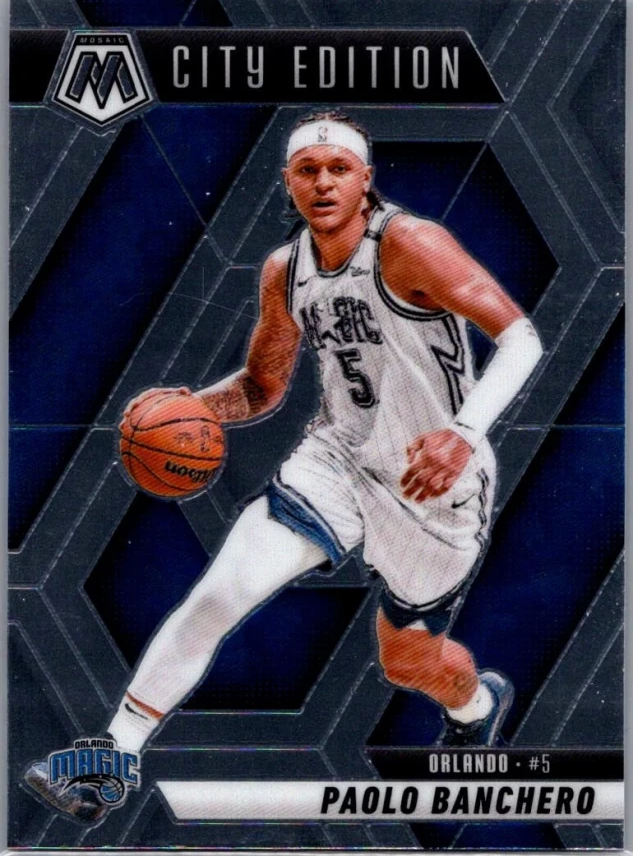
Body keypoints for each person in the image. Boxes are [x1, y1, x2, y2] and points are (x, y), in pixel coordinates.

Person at [26, 111, 543, 823]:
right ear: (288, 183)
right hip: (336, 459)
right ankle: (110, 758)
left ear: (365, 180)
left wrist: (461, 433)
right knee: (220, 593)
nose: (323, 182)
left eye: (339, 169)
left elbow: (520, 337)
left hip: (434, 479)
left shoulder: (411, 243)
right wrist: (192, 408)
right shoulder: (285, 269)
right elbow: (262, 386)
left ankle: (477, 705)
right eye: (308, 170)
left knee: (407, 663)